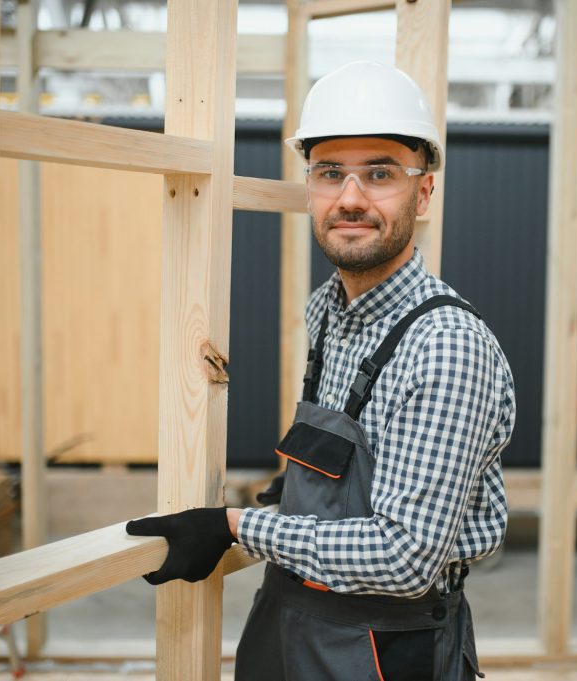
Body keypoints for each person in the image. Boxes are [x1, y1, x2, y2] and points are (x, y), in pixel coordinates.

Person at [126, 60, 516, 680]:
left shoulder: (443, 346)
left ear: (424, 191)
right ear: (310, 187)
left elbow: (405, 557)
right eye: (330, 173)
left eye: (380, 174)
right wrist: (291, 505)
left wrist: (233, 526)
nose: (351, 198)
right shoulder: (328, 311)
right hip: (288, 616)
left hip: (385, 647)